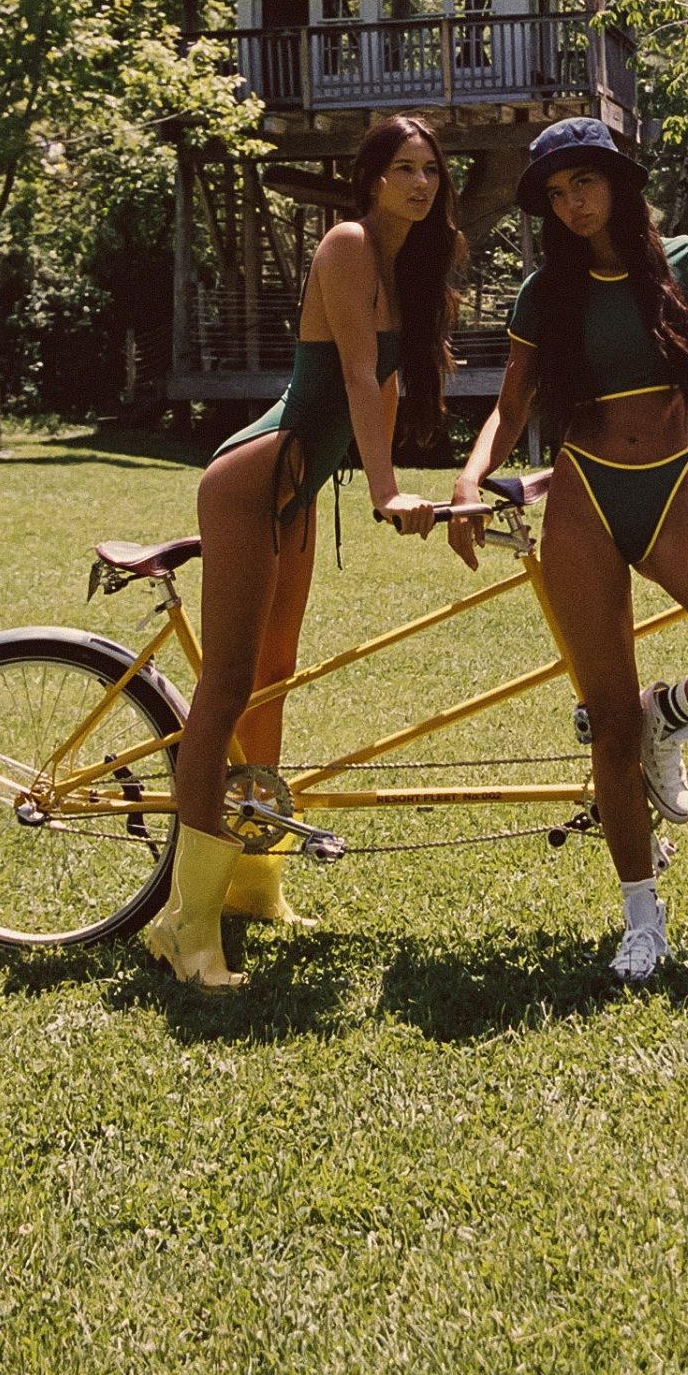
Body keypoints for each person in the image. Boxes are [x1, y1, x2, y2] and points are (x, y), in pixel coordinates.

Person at [449, 117, 688, 985]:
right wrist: (471, 477)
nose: (572, 204)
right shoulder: (545, 293)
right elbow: (511, 408)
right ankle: (641, 921)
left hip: (671, 500)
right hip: (584, 501)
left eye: (584, 183)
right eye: (557, 194)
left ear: (619, 182)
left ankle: (673, 710)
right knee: (609, 722)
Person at [145, 115, 465, 988]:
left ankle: (254, 883)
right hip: (254, 478)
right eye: (404, 168)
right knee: (226, 686)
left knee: (273, 677)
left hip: (296, 491)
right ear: (371, 179)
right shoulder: (349, 244)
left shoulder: (407, 267)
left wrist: (394, 478)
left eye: (431, 170)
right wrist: (383, 489)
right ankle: (186, 925)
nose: (421, 183)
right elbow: (355, 374)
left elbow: (385, 389)